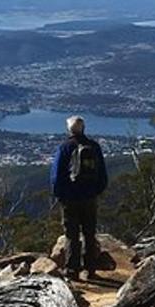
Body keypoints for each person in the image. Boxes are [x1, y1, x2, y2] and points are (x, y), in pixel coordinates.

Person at [49, 115, 109, 279]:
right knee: (89, 234)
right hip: (89, 198)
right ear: (83, 128)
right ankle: (90, 269)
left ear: (69, 129)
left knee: (72, 235)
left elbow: (56, 176)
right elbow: (103, 174)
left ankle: (72, 270)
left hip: (70, 199)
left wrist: (60, 195)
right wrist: (96, 192)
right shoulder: (94, 147)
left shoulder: (65, 147)